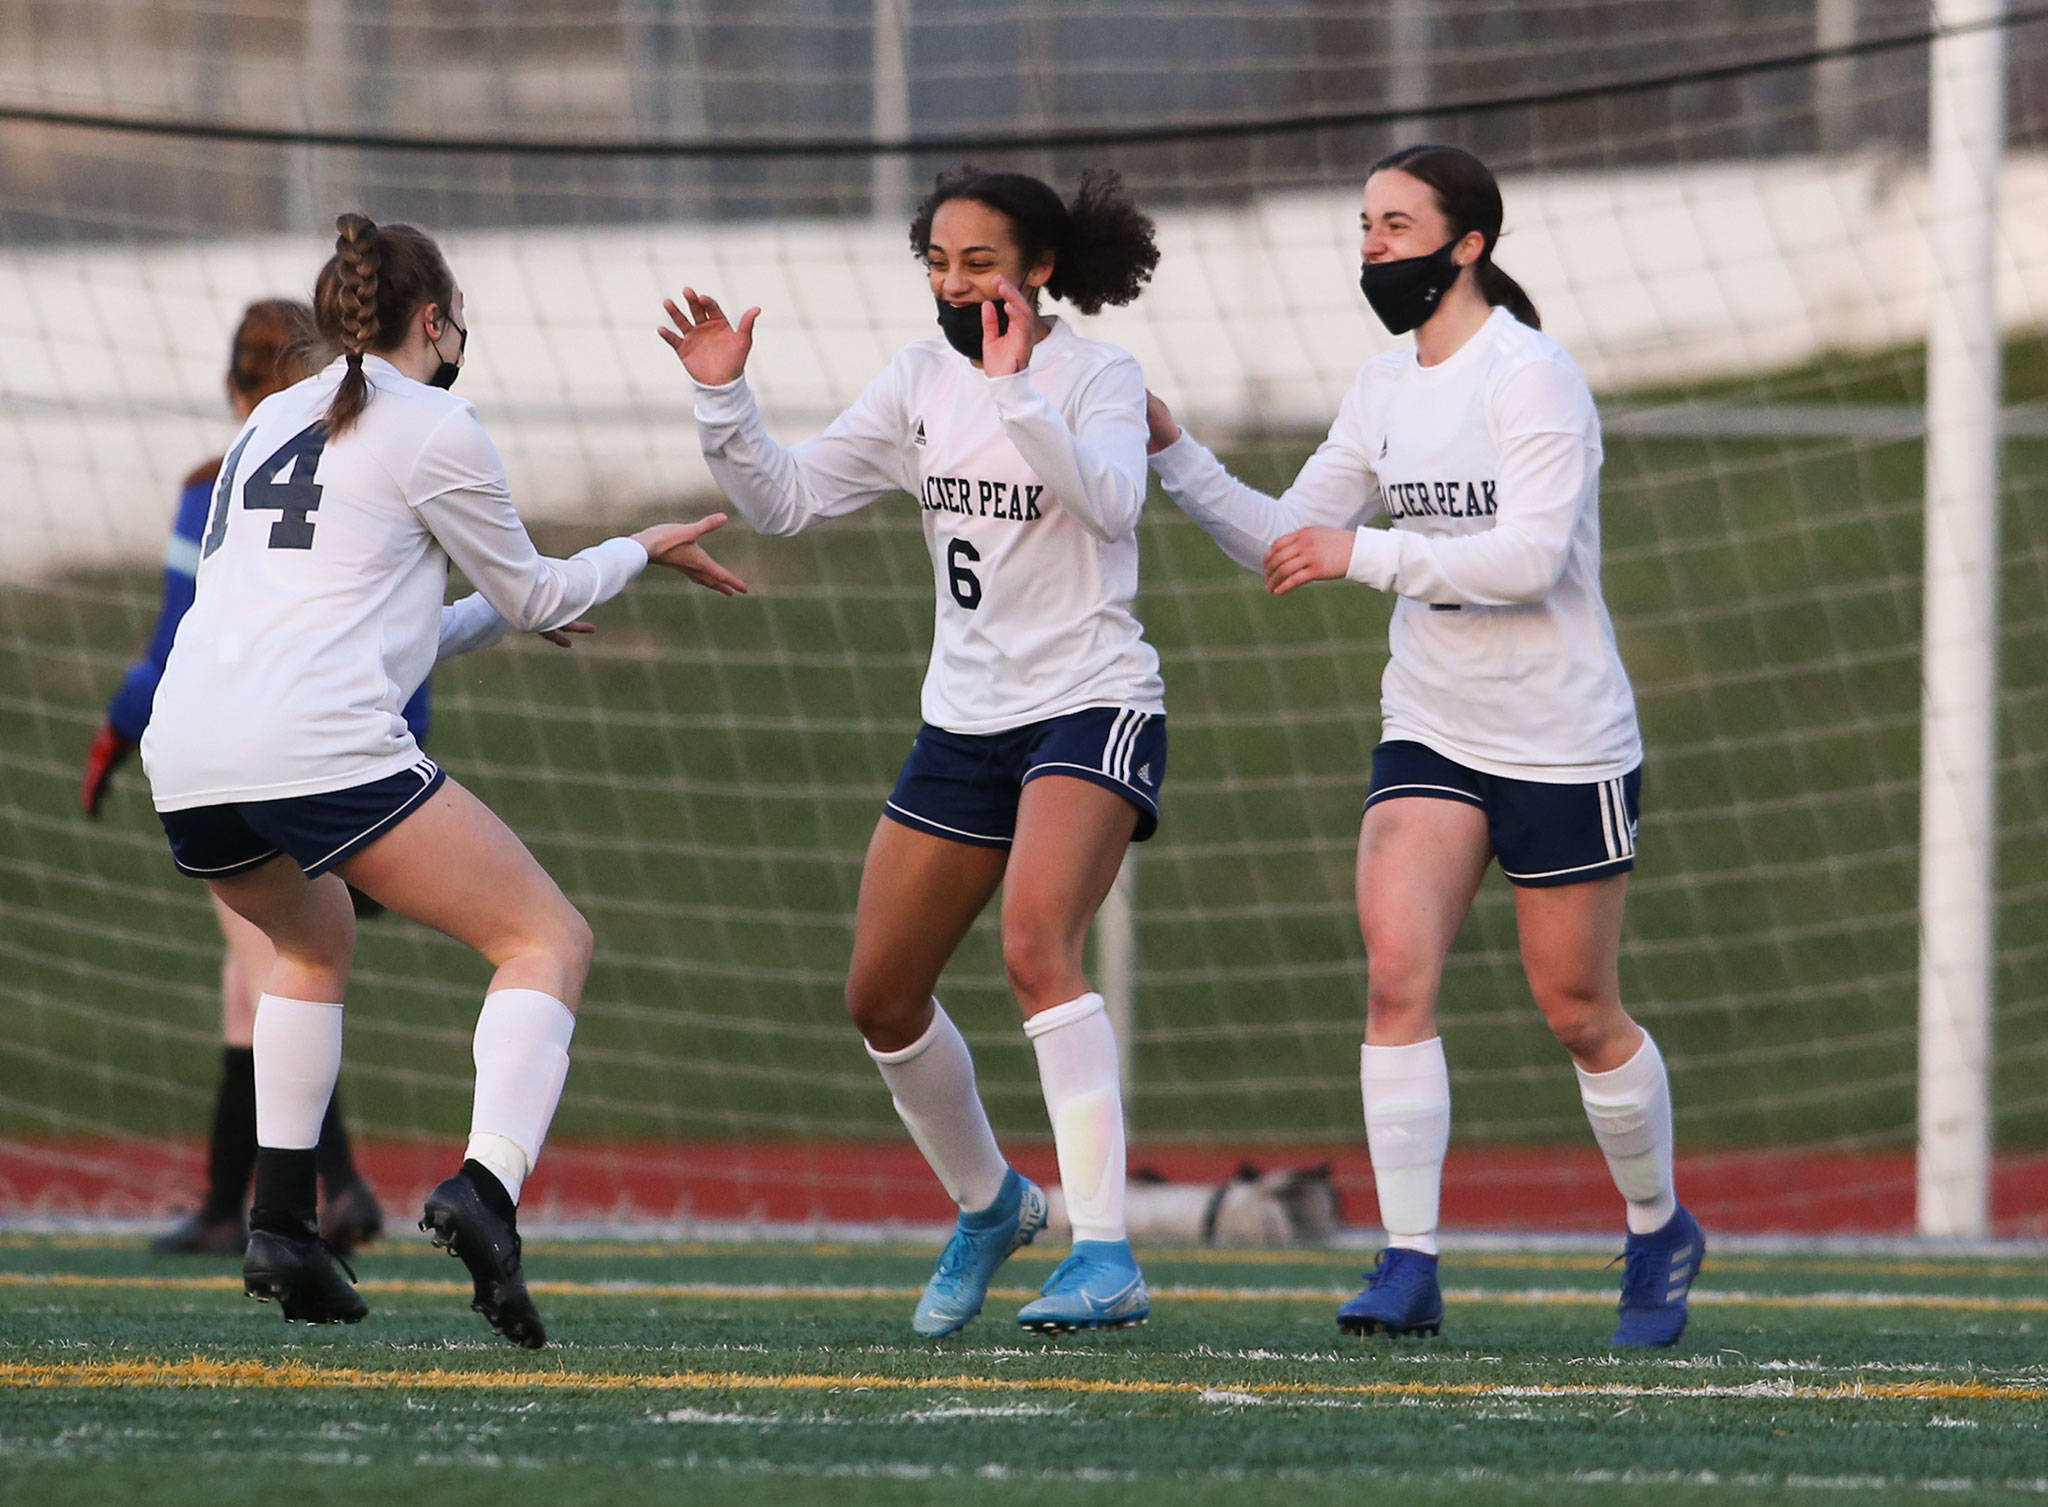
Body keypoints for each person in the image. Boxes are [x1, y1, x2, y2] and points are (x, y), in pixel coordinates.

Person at [139, 212, 746, 1348]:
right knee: (545, 941)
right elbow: (536, 597)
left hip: (189, 753)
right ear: (434, 319)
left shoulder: (271, 416)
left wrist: (507, 613)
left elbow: (363, 616)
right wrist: (640, 549)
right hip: (312, 743)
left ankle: (280, 1222)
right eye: (457, 317)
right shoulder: (436, 421)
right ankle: (487, 1189)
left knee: (312, 942)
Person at [1145, 144, 1702, 1348]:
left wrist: (1372, 554)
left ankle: (1657, 1227)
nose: (1371, 245)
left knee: (1576, 1010)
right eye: (1362, 224)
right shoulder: (1379, 384)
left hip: (1560, 738)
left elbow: (1529, 557)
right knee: (1395, 979)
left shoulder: (1530, 376)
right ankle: (1407, 1263)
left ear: (1467, 245)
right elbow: (1292, 536)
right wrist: (1174, 452)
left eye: (1395, 224)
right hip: (1431, 730)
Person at [661, 167, 1163, 1336]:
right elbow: (784, 502)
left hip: (1090, 702)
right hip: (963, 720)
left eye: (977, 264)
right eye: (936, 263)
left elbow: (1111, 506)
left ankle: (1106, 1253)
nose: (951, 283)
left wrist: (1018, 392)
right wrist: (723, 402)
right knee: (880, 995)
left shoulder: (1098, 375)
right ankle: (990, 1205)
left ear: (1036, 270)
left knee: (1038, 943)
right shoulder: (916, 379)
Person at [83, 299, 390, 1258]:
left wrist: (114, 731)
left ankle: (334, 1188)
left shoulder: (218, 488)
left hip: (254, 760)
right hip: (372, 760)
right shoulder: (371, 469)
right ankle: (224, 1199)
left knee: (274, 975)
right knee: (244, 982)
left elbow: (176, 640)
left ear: (234, 387)